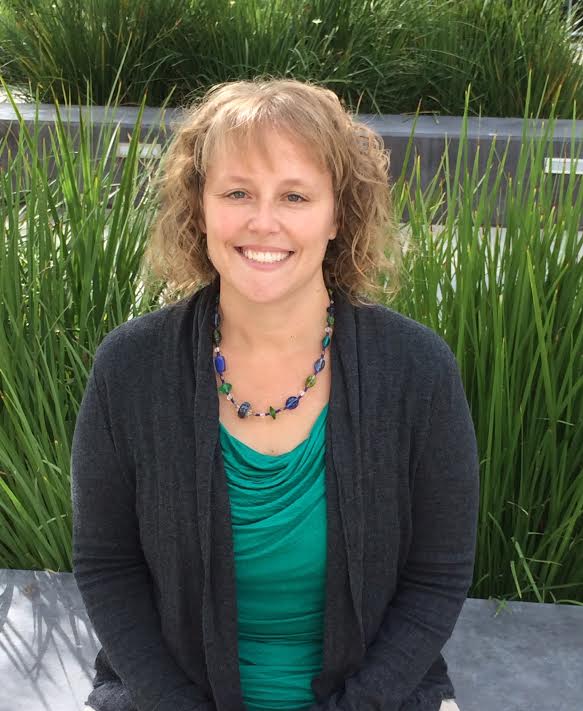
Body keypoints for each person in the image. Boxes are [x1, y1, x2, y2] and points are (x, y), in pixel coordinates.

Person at [71, 78, 479, 711]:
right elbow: (107, 566)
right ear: (199, 206)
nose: (264, 222)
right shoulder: (129, 369)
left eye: (294, 195)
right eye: (237, 192)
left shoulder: (418, 371)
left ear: (338, 213)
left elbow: (437, 577)